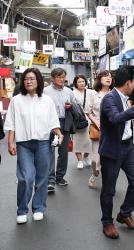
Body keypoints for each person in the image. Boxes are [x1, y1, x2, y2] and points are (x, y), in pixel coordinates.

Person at [4, 68, 63, 224]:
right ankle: (22, 210)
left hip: (43, 142)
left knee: (42, 178)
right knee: (25, 178)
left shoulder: (46, 100)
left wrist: (59, 133)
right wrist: (10, 142)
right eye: (26, 79)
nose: (28, 81)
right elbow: (11, 123)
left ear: (38, 81)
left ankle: (38, 208)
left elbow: (53, 121)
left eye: (32, 78)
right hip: (23, 144)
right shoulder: (16, 100)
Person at [99, 66, 134, 239]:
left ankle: (125, 213)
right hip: (112, 149)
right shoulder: (109, 99)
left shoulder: (126, 98)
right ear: (128, 83)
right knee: (109, 189)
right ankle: (107, 222)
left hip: (128, 147)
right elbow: (115, 118)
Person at [44, 67, 76, 191]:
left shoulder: (69, 91)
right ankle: (50, 180)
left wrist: (71, 106)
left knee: (63, 152)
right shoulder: (45, 91)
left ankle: (60, 177)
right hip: (50, 123)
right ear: (52, 78)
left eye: (63, 77)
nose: (61, 79)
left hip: (64, 122)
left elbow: (75, 106)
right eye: (58, 77)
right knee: (50, 151)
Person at [87, 71, 113, 188]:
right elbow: (89, 112)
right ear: (99, 79)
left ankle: (107, 180)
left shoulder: (114, 94)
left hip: (112, 129)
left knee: (108, 157)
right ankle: (94, 173)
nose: (108, 78)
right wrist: (97, 123)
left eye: (110, 76)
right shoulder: (93, 94)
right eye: (105, 76)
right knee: (96, 157)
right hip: (98, 129)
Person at [72, 75, 92, 169]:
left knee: (89, 141)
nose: (81, 83)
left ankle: (86, 157)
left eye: (83, 81)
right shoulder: (72, 93)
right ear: (76, 83)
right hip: (77, 119)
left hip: (89, 118)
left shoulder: (90, 92)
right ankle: (80, 160)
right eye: (79, 82)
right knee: (77, 141)